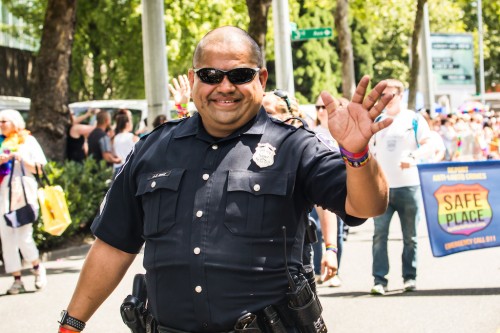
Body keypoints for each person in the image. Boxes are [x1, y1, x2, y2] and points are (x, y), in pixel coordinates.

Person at [59, 26, 393, 333]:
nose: (225, 86)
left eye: (240, 74)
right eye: (210, 75)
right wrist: (71, 324)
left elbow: (368, 205)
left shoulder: (294, 147)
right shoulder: (152, 149)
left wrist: (357, 155)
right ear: (193, 80)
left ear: (261, 78)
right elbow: (114, 246)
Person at [369, 79, 432, 295]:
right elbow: (368, 151)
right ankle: (379, 280)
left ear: (401, 95)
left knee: (410, 237)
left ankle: (409, 277)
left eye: (391, 95)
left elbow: (429, 144)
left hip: (409, 186)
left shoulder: (413, 119)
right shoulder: (377, 119)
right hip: (382, 188)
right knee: (379, 236)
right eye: (382, 95)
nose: (386, 99)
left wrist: (413, 156)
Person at [0, 109, 48, 295]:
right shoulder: (1, 142)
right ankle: (17, 279)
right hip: (3, 193)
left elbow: (39, 167)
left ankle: (37, 268)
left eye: (4, 121)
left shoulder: (27, 140)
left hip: (22, 193)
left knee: (23, 235)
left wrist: (20, 158)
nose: (1, 125)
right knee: (7, 236)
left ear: (15, 122)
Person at [112, 110, 139, 177]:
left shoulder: (114, 138)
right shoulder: (133, 137)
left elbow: (113, 153)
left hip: (117, 168)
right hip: (130, 168)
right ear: (127, 124)